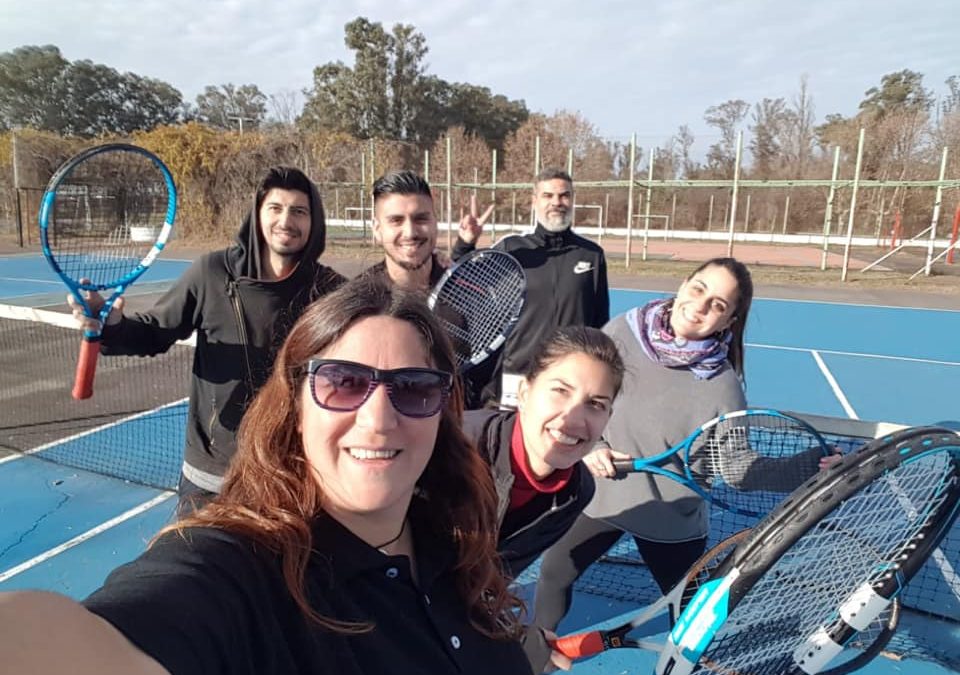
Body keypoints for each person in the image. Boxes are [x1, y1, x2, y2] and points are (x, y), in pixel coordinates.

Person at [1, 277, 533, 675]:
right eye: (344, 382)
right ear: (297, 407)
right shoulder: (241, 571)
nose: (378, 418)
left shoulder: (457, 544)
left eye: (413, 387)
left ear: (441, 412)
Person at [532, 257, 840, 634]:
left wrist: (808, 465)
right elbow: (590, 403)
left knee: (691, 616)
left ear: (728, 322)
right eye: (699, 289)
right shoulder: (621, 333)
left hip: (671, 519)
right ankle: (535, 654)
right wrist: (595, 445)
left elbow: (736, 469)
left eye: (719, 305)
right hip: (603, 499)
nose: (701, 305)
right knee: (553, 573)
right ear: (683, 285)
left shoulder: (722, 387)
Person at [67, 166, 346, 513]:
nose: (286, 220)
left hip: (289, 476)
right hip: (210, 481)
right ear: (257, 214)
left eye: (298, 211)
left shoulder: (331, 291)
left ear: (313, 222)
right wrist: (111, 324)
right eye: (275, 208)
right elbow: (153, 333)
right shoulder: (211, 272)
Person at [463, 325, 623, 578]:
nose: (573, 419)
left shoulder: (577, 491)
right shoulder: (456, 446)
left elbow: (497, 577)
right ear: (524, 394)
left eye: (595, 404)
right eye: (561, 391)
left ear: (608, 417)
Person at [454, 167, 609, 409]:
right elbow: (461, 287)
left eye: (564, 195)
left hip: (569, 378)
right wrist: (465, 244)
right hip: (516, 376)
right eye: (548, 196)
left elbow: (600, 323)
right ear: (534, 201)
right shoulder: (512, 249)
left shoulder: (591, 255)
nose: (557, 202)